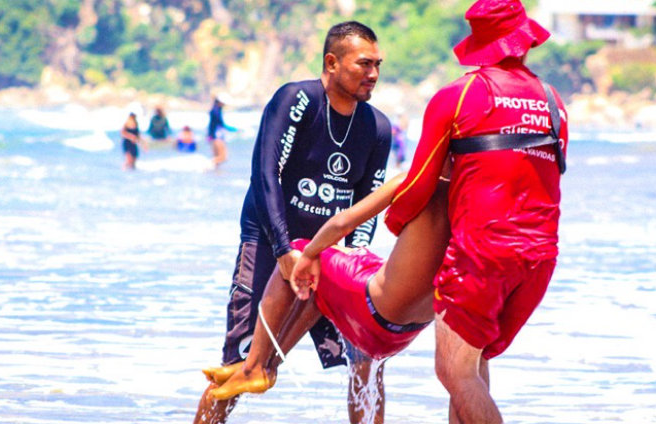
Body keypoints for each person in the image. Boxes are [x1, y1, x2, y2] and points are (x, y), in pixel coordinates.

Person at [193, 21, 392, 424]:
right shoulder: (297, 99)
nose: (372, 74)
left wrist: (342, 256)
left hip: (333, 253)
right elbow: (265, 174)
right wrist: (285, 251)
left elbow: (367, 206)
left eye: (377, 65)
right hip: (271, 241)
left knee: (367, 357)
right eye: (363, 64)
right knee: (241, 364)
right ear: (331, 62)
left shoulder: (377, 127)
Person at [382, 1, 568, 422]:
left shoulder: (460, 94)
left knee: (454, 370)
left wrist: (398, 228)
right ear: (524, 41)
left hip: (481, 255)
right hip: (539, 259)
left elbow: (417, 183)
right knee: (474, 362)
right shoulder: (554, 102)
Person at [201, 171, 449, 407]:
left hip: (375, 313)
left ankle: (254, 366)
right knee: (324, 281)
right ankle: (269, 365)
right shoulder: (471, 200)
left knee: (300, 255)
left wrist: (309, 254)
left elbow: (342, 223)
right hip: (406, 334)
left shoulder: (416, 178)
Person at [207, 96, 238, 167]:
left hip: (213, 137)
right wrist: (233, 129)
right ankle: (207, 165)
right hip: (217, 137)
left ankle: (215, 175)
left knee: (217, 158)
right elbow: (221, 124)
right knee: (223, 157)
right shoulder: (216, 112)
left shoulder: (215, 110)